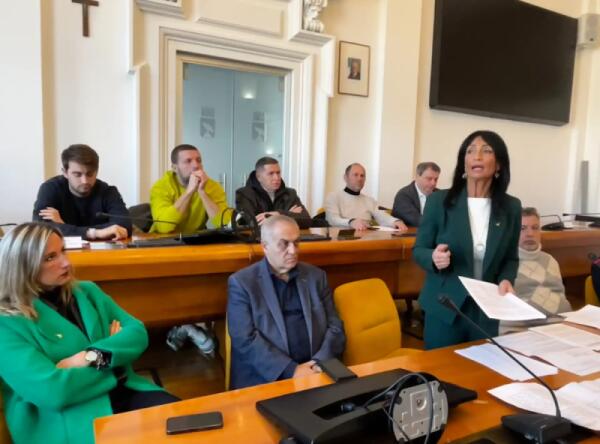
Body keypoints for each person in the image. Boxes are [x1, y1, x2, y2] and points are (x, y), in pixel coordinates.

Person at [0, 222, 178, 444]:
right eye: (50, 258)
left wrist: (88, 357)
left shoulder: (87, 291)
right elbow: (53, 391)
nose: (66, 262)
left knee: (188, 425)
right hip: (66, 418)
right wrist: (116, 365)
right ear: (22, 267)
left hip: (125, 392)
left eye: (63, 251)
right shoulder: (6, 323)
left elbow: (137, 334)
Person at [413, 130, 521, 349]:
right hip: (446, 306)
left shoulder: (511, 207)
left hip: (487, 308)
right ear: (464, 163)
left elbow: (511, 257)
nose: (477, 156)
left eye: (486, 151)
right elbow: (419, 249)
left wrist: (506, 279)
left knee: (481, 367)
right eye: (470, 151)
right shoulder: (439, 201)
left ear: (499, 164)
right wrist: (433, 257)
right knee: (441, 367)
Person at [227, 215, 346, 389]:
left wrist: (318, 363)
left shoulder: (316, 277)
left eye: (296, 243)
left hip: (318, 371)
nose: (293, 251)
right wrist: (292, 371)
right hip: (268, 377)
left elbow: (335, 327)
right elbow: (244, 339)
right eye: (284, 244)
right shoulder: (243, 283)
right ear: (265, 246)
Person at [33, 144, 131, 240]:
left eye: (90, 174)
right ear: (65, 173)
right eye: (77, 175)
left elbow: (124, 226)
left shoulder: (108, 192)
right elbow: (41, 229)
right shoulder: (50, 189)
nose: (85, 181)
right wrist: (95, 233)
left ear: (96, 171)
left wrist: (63, 226)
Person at [500, 207, 571, 334]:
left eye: (535, 228)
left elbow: (561, 299)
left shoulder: (550, 260)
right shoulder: (504, 263)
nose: (530, 234)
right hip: (519, 330)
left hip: (559, 326)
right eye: (522, 228)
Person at [150, 144, 230, 234]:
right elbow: (164, 227)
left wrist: (202, 192)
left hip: (194, 239)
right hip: (163, 239)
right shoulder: (160, 187)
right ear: (175, 168)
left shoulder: (212, 186)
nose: (196, 165)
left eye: (198, 160)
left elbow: (226, 224)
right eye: (188, 161)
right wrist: (189, 191)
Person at [325, 163, 407, 231]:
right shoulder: (333, 197)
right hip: (341, 239)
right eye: (355, 175)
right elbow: (332, 219)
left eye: (362, 176)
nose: (359, 179)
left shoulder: (369, 200)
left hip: (366, 238)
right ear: (345, 177)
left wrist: (395, 221)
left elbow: (381, 216)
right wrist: (351, 222)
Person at [235, 157, 312, 229]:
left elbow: (307, 220)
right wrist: (288, 215)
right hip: (259, 238)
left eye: (278, 173)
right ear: (258, 177)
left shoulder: (290, 193)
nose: (277, 178)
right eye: (271, 173)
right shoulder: (244, 194)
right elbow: (251, 223)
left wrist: (279, 214)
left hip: (286, 237)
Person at [392, 162, 441, 227]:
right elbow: (417, 220)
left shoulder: (439, 194)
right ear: (417, 177)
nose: (433, 183)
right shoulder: (403, 195)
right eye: (429, 179)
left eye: (436, 179)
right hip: (409, 232)